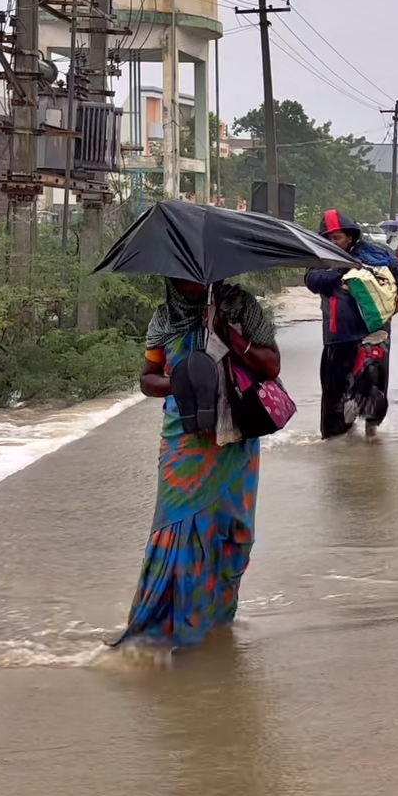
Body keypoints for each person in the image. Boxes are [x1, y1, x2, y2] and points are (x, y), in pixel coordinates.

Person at [116, 278, 281, 649]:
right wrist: (184, 381)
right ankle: (163, 633)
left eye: (196, 277)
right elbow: (147, 380)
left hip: (236, 436)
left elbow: (271, 365)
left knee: (234, 534)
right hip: (183, 441)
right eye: (180, 278)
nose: (189, 285)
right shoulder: (164, 318)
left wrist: (226, 333)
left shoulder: (241, 307)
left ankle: (215, 626)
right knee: (175, 534)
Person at [306, 209, 398, 439]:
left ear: (351, 237)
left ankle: (371, 436)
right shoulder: (319, 259)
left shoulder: (373, 253)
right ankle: (337, 439)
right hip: (338, 335)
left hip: (374, 333)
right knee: (335, 393)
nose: (333, 242)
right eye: (328, 238)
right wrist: (343, 269)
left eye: (338, 238)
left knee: (374, 384)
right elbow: (313, 281)